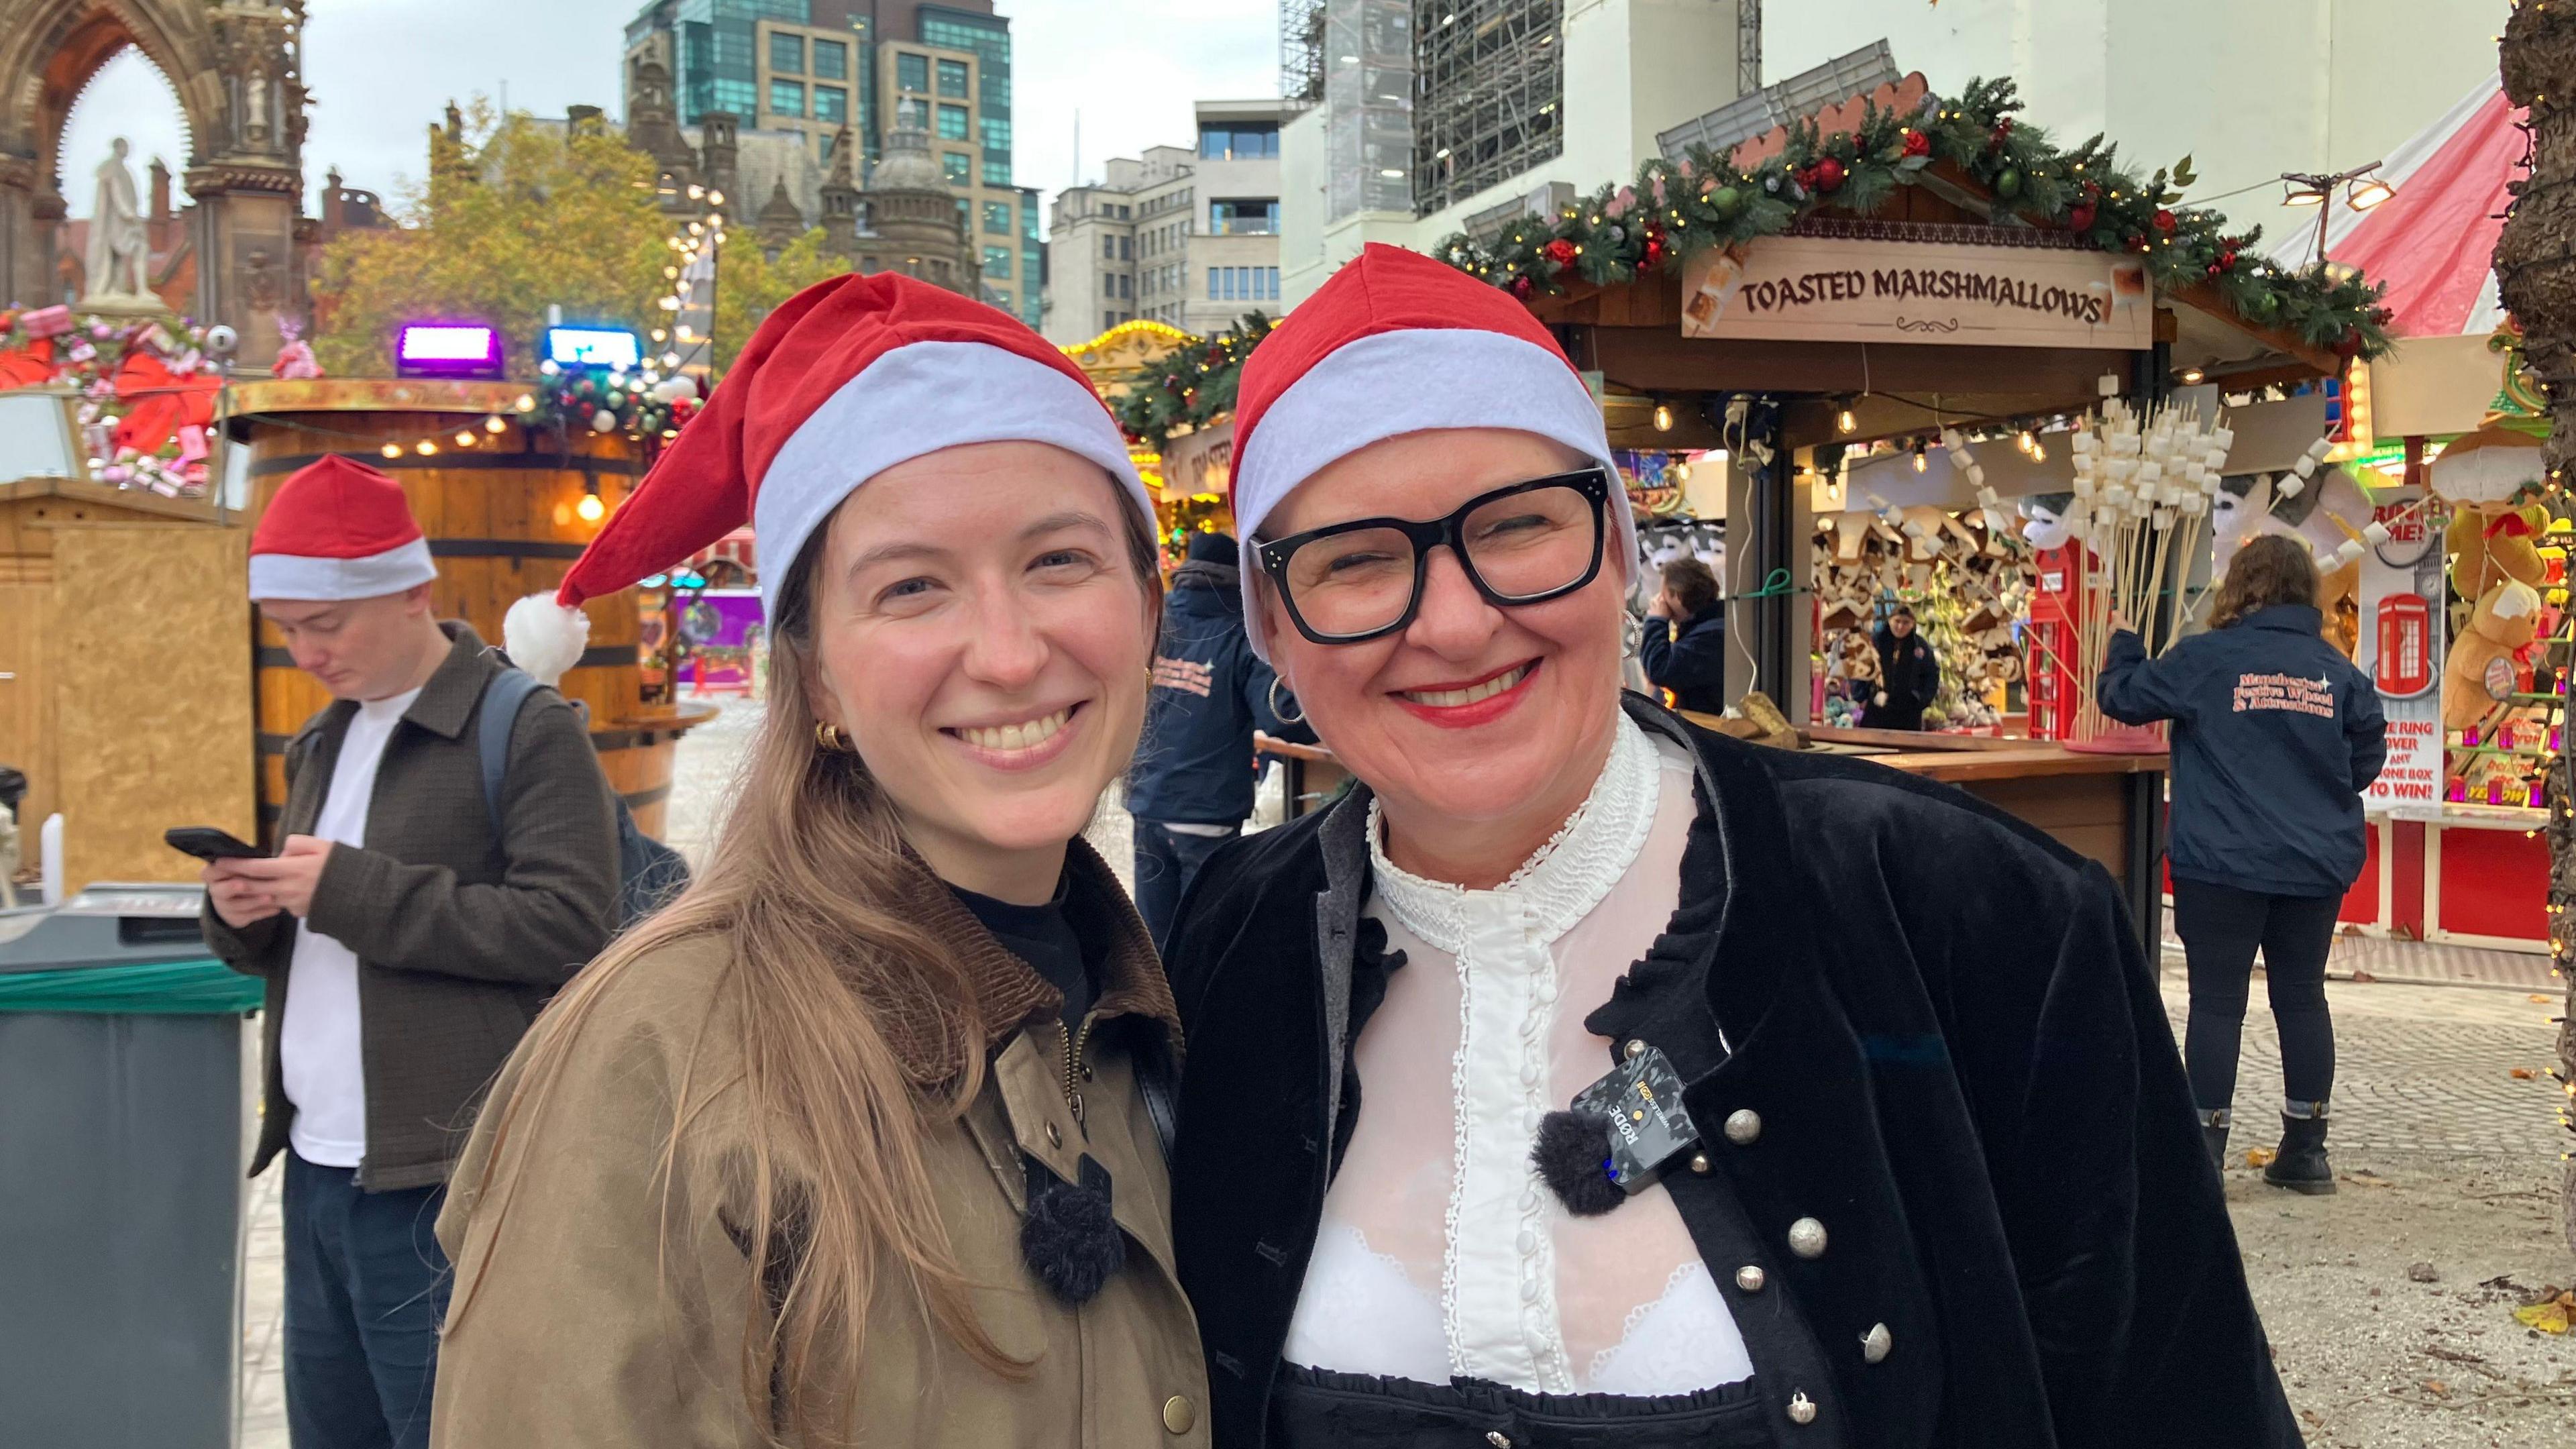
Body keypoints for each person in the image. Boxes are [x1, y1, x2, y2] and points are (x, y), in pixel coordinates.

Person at [1163, 244, 2301, 1447]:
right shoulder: (1231, 940)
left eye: (1516, 528)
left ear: (1614, 551)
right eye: (1354, 561)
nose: (1453, 622)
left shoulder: (1973, 913)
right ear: (1271, 632)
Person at [431, 274, 1209, 1447]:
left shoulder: (1147, 1002)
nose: (1006, 652)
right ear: (816, 680)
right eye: (912, 587)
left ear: (1147, 612)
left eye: (1059, 561)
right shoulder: (674, 1061)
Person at [198, 455, 621, 1449]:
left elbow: (570, 927)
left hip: (443, 1183)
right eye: (287, 628)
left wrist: (348, 889)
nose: (305, 651)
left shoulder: (527, 727)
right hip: (315, 1175)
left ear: (413, 591)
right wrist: (248, 908)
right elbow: (320, 938)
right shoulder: (322, 740)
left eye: (326, 624)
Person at [2097, 533, 2385, 1190]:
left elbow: (2124, 698)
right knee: (2303, 996)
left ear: (2239, 587)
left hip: (2221, 861)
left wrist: (2125, 642)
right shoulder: (2335, 670)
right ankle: (2307, 1152)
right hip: (2314, 863)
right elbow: (2366, 755)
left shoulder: (2208, 659)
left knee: (2218, 1003)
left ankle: (2202, 1156)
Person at [1128, 528, 1313, 948]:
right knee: (1202, 939)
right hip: (1207, 811)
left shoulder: (1156, 622)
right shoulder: (1239, 636)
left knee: (1152, 938)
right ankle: (1196, 1013)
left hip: (1150, 802)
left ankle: (1156, 1011)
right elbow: (1279, 716)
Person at [1638, 555, 1727, 713]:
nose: (1659, 600)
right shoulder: (1705, 629)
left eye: (1663, 594)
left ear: (1677, 596)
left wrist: (1657, 621)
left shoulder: (1711, 637)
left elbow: (1659, 668)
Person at [1864, 604, 1939, 731]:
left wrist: (1921, 699)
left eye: (1906, 623)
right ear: (1890, 620)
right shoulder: (1876, 642)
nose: (1900, 627)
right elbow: (1861, 669)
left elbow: (1932, 674)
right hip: (1877, 711)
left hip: (1908, 714)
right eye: (1897, 621)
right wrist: (1862, 697)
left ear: (1913, 624)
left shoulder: (1921, 647)